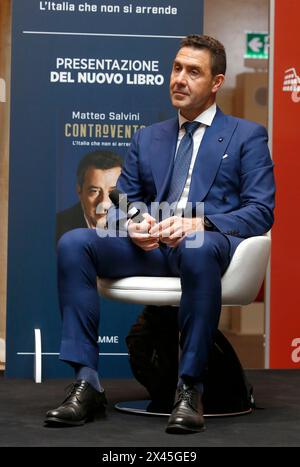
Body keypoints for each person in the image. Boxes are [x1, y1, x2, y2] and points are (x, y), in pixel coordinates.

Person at [45, 35, 275, 433]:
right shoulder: (148, 137)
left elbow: (260, 210)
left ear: (216, 82)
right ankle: (86, 381)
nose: (179, 79)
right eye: (176, 68)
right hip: (151, 246)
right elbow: (125, 199)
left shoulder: (246, 136)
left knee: (198, 250)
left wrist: (198, 223)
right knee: (75, 243)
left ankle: (189, 388)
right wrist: (133, 223)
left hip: (205, 244)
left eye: (193, 72)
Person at [56, 150, 123, 243]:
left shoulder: (138, 224)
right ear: (79, 190)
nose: (104, 202)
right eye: (94, 191)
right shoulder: (58, 228)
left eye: (114, 191)